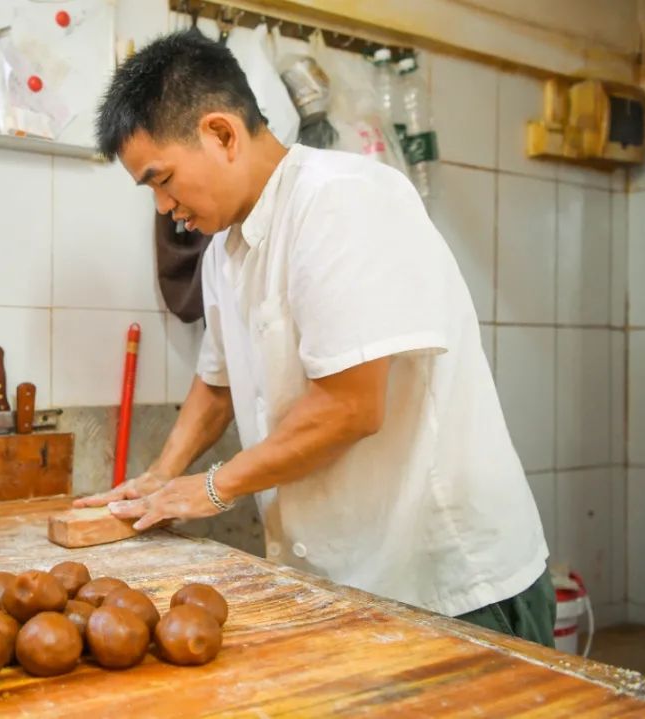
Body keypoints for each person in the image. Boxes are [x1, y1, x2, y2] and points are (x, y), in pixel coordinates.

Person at [76, 32, 555, 646]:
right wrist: (160, 478)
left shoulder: (342, 201)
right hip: (346, 580)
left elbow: (350, 407)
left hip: (447, 584)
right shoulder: (223, 249)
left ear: (222, 134)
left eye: (163, 179)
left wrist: (211, 488)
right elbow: (216, 385)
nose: (165, 206)